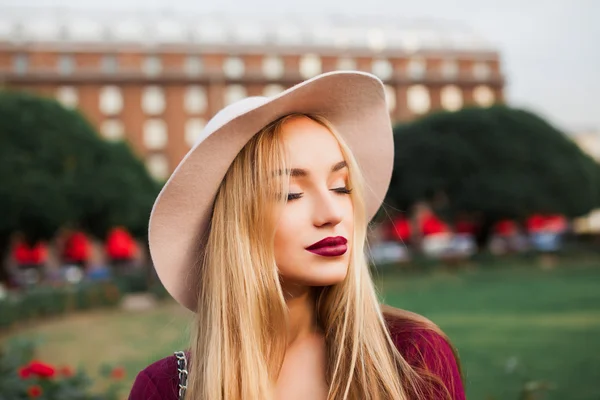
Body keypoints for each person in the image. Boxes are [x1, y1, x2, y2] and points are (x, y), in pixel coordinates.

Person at [129, 71, 465, 400]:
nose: (331, 213)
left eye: (341, 187)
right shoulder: (167, 389)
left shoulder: (414, 358)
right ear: (236, 226)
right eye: (291, 193)